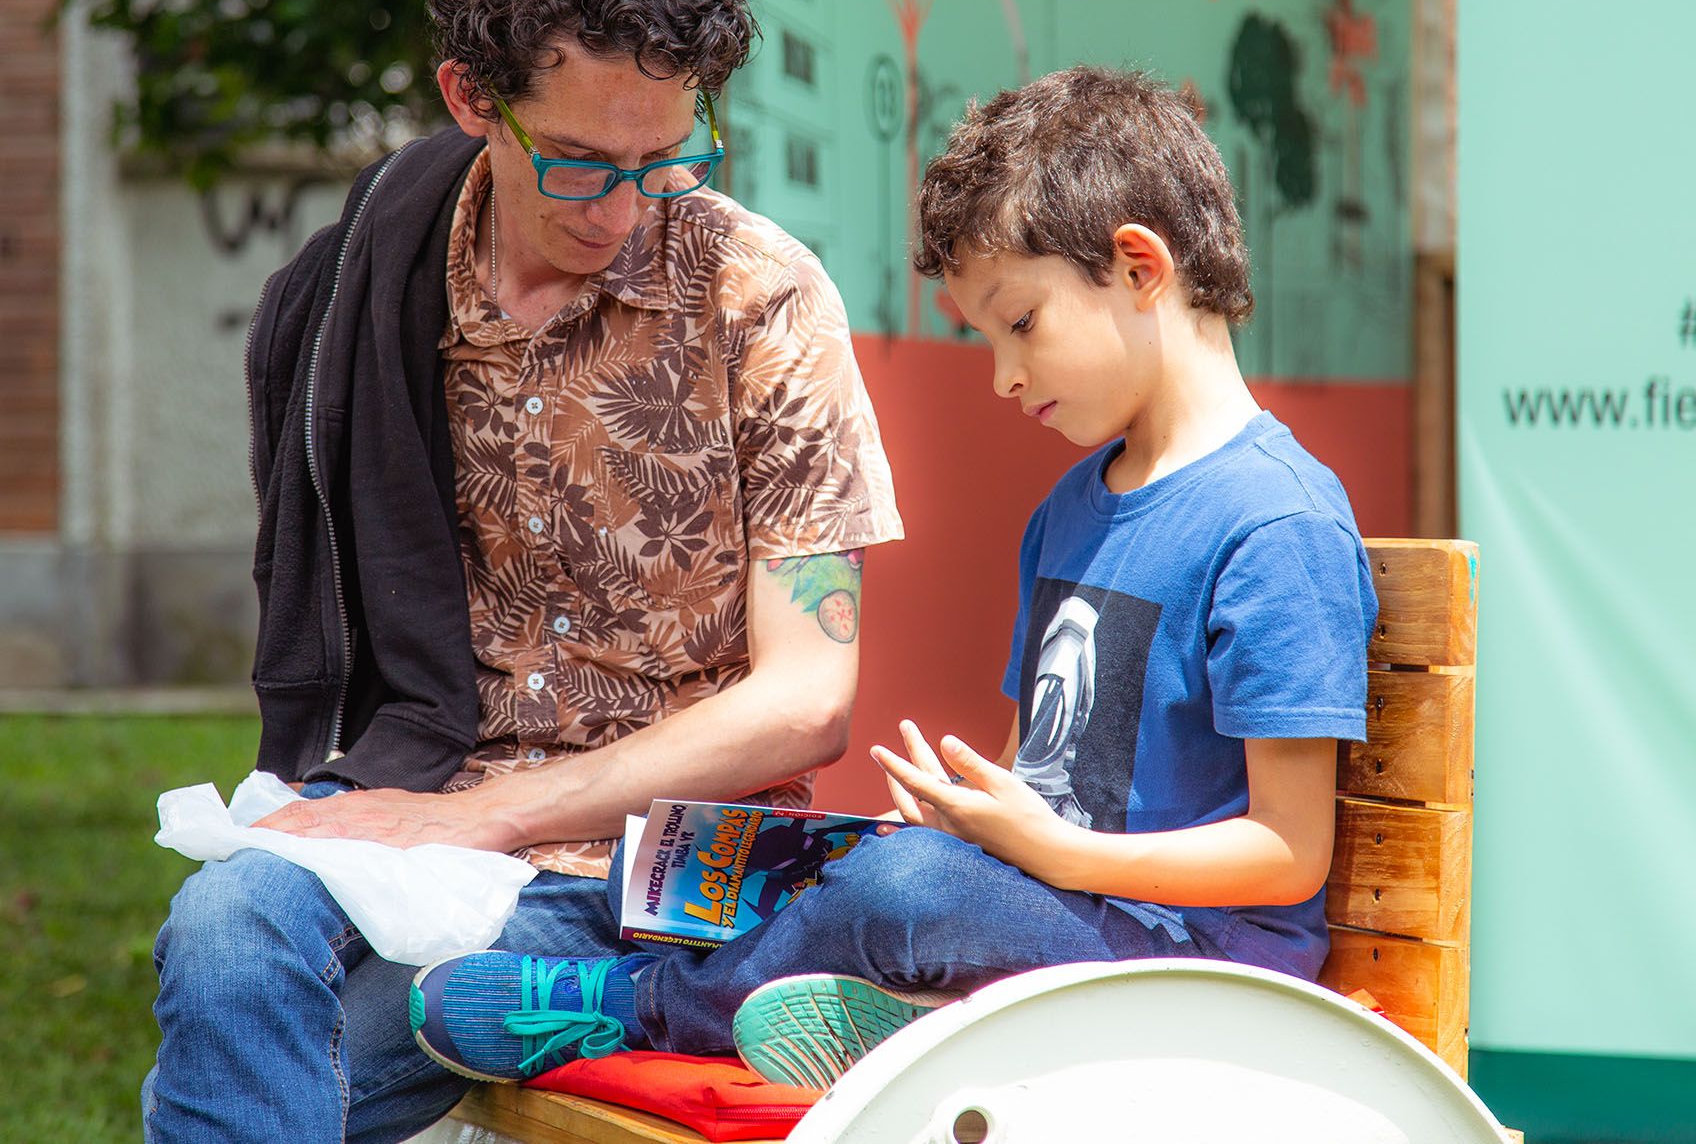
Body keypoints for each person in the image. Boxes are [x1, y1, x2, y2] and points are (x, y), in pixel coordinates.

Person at [412, 66, 1377, 1091]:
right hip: (1061, 912)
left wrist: (1037, 853)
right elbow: (1032, 781)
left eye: (1019, 324)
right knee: (713, 861)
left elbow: (1284, 852)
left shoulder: (1274, 523)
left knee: (907, 889)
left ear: (1137, 267)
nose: (1005, 377)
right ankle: (887, 1015)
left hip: (1192, 965)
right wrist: (972, 819)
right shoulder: (1068, 511)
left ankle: (634, 1011)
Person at [142, 0, 904, 1142]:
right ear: (469, 101)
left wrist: (482, 819)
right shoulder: (377, 278)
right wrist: (435, 814)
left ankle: (612, 997)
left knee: (288, 1067)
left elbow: (807, 699)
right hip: (421, 787)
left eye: (665, 162)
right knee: (223, 931)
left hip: (655, 868)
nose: (620, 212)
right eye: (579, 165)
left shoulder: (759, 298)